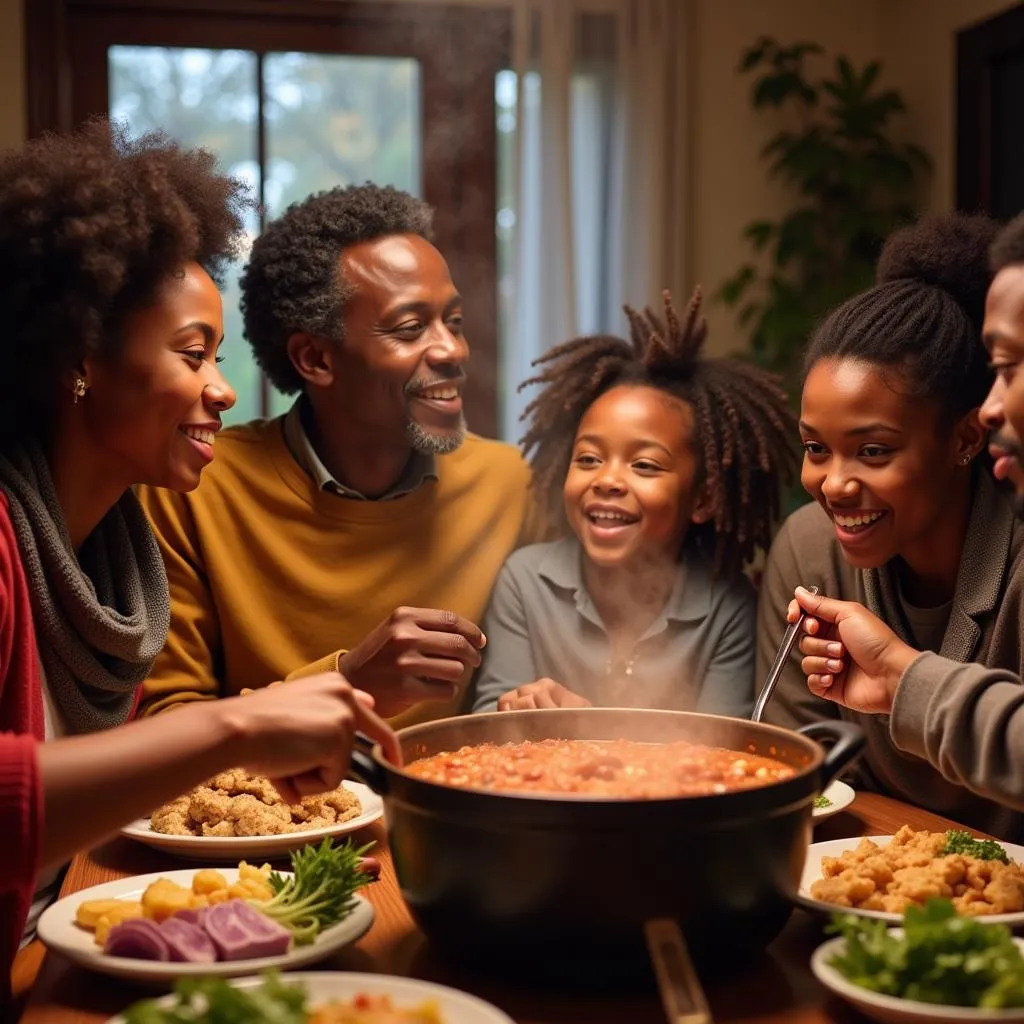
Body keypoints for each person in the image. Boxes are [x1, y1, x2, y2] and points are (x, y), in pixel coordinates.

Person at [0, 120, 397, 1002]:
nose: (223, 388)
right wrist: (236, 728)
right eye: (193, 354)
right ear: (78, 360)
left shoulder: (112, 548)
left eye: (217, 355)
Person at [137, 184, 541, 729]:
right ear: (315, 358)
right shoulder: (195, 489)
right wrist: (348, 683)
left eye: (455, 321)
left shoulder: (511, 485)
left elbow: (525, 686)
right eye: (410, 327)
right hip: (279, 812)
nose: (453, 350)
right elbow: (165, 726)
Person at [756, 212, 1024, 839]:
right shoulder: (808, 551)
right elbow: (798, 770)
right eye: (815, 447)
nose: (834, 483)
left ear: (965, 436)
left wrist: (902, 679)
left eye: (873, 451)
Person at [470, 288, 797, 713]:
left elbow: (724, 754)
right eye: (588, 458)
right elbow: (486, 727)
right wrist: (511, 709)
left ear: (702, 499)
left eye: (644, 465)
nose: (607, 479)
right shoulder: (525, 582)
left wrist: (591, 736)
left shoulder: (726, 604)